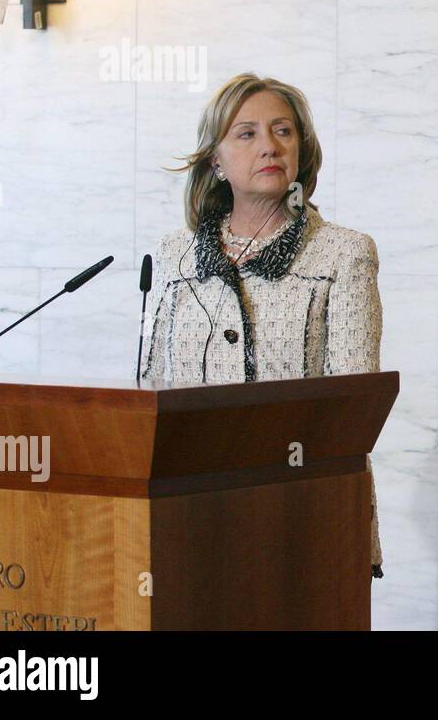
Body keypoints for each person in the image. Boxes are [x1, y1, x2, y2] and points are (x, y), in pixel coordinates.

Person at [142, 72, 385, 577]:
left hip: (304, 515)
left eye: (283, 131)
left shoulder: (344, 253)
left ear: (301, 150)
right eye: (246, 134)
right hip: (186, 513)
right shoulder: (173, 255)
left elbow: (350, 409)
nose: (269, 146)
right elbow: (150, 393)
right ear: (216, 159)